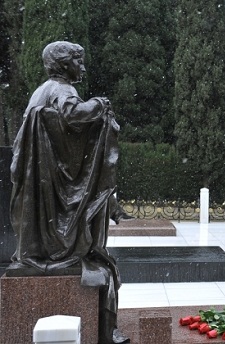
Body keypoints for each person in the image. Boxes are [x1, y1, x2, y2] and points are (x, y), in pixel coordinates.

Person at [9, 41, 128, 343]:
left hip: (39, 179)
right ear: (64, 65)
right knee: (86, 212)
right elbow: (73, 115)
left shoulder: (41, 90)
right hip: (48, 179)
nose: (83, 67)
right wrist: (101, 106)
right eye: (79, 61)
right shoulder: (62, 90)